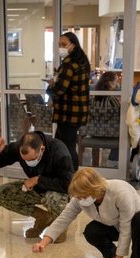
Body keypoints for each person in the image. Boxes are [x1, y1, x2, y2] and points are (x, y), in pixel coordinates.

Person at [31, 167, 140, 258]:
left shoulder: (120, 192)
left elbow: (126, 227)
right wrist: (43, 243)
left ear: (94, 190)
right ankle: (110, 256)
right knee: (91, 231)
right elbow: (64, 218)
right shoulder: (80, 198)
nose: (80, 200)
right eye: (78, 197)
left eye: (83, 196)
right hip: (114, 224)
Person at [0, 131, 74, 243]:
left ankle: (60, 227)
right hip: (36, 188)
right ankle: (43, 217)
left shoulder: (59, 152)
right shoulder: (19, 147)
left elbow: (68, 184)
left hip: (58, 191)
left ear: (42, 149)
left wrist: (37, 180)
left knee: (53, 198)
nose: (28, 162)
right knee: (0, 193)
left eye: (32, 159)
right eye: (25, 160)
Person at [48, 32, 91, 171]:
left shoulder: (69, 63)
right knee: (59, 143)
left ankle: (72, 177)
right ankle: (63, 173)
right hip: (78, 111)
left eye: (64, 44)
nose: (61, 47)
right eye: (60, 45)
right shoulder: (82, 61)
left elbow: (60, 89)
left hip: (67, 112)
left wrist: (52, 84)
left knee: (66, 147)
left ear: (73, 45)